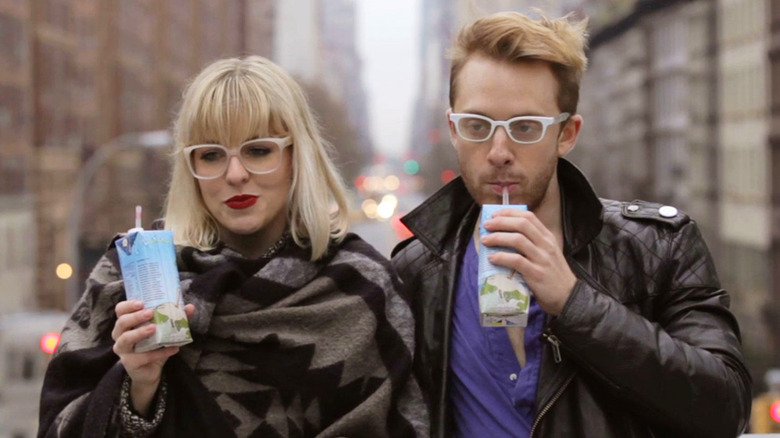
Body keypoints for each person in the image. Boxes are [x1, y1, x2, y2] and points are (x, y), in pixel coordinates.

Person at [392, 11, 751, 438]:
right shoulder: (417, 272)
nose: (499, 151)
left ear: (567, 134)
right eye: (478, 126)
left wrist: (574, 302)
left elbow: (725, 409)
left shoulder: (659, 248)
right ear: (453, 130)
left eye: (525, 127)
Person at [39, 56, 429, 438]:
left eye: (258, 150)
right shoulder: (131, 278)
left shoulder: (362, 285)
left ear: (296, 155)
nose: (236, 174)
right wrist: (138, 385)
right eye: (210, 155)